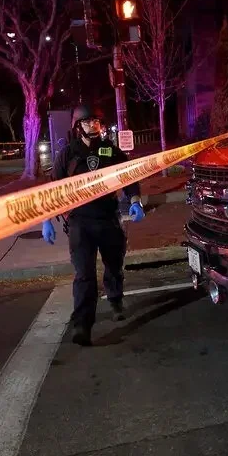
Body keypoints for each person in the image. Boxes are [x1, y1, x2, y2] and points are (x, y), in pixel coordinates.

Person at [42, 104, 146, 346]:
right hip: (80, 223)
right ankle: (82, 325)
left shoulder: (110, 150)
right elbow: (52, 188)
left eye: (97, 121)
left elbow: (128, 175)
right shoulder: (68, 154)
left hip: (108, 218)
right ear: (78, 126)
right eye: (88, 122)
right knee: (84, 275)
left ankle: (115, 300)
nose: (94, 125)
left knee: (114, 266)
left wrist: (135, 201)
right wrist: (46, 219)